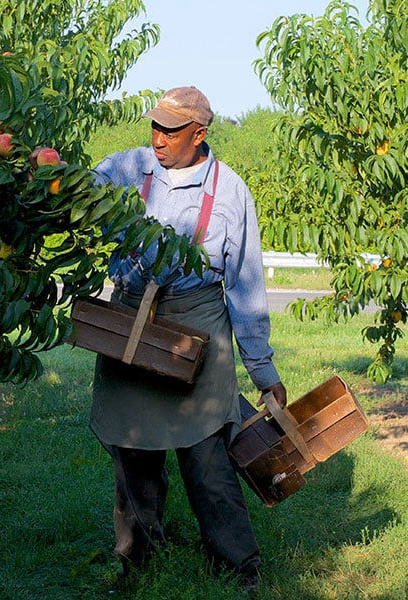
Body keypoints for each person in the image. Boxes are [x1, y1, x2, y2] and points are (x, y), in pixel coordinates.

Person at [88, 86, 287, 596]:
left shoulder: (229, 191)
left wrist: (263, 372)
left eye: (170, 131)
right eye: (154, 127)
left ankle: (239, 568)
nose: (157, 139)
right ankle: (139, 562)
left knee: (207, 457)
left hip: (197, 327)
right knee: (131, 453)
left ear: (199, 135)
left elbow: (245, 286)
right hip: (132, 323)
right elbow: (77, 195)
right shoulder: (129, 169)